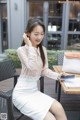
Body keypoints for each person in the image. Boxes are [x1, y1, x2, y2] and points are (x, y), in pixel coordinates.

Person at [12, 18, 67, 120]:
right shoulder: (21, 50)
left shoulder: (43, 50)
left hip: (34, 92)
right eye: (36, 34)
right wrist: (30, 46)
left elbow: (45, 70)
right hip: (21, 94)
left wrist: (58, 76)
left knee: (59, 107)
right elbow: (31, 67)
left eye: (42, 34)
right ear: (28, 34)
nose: (39, 37)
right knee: (50, 118)